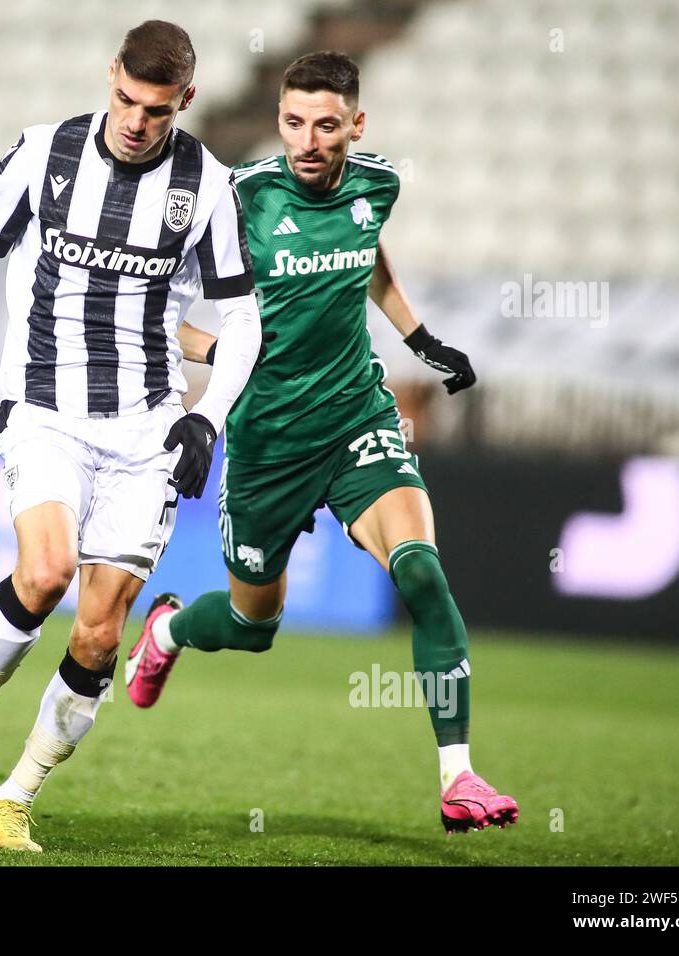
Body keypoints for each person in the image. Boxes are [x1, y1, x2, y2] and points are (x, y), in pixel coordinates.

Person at [0, 20, 262, 851]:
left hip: (147, 428)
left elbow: (243, 319)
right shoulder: (43, 153)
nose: (136, 120)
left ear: (184, 101)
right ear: (109, 74)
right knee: (43, 576)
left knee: (101, 630)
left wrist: (205, 418)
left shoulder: (211, 186)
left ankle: (19, 793)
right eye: (125, 98)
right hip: (43, 408)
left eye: (157, 109)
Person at [124, 51, 518, 834]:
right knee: (251, 626)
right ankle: (166, 630)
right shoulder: (238, 201)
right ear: (279, 120)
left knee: (423, 576)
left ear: (356, 126)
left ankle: (460, 775)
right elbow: (165, 310)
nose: (307, 140)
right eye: (294, 123)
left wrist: (421, 336)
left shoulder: (378, 185)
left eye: (326, 125)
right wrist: (229, 356)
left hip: (355, 419)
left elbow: (365, 259)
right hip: (267, 444)